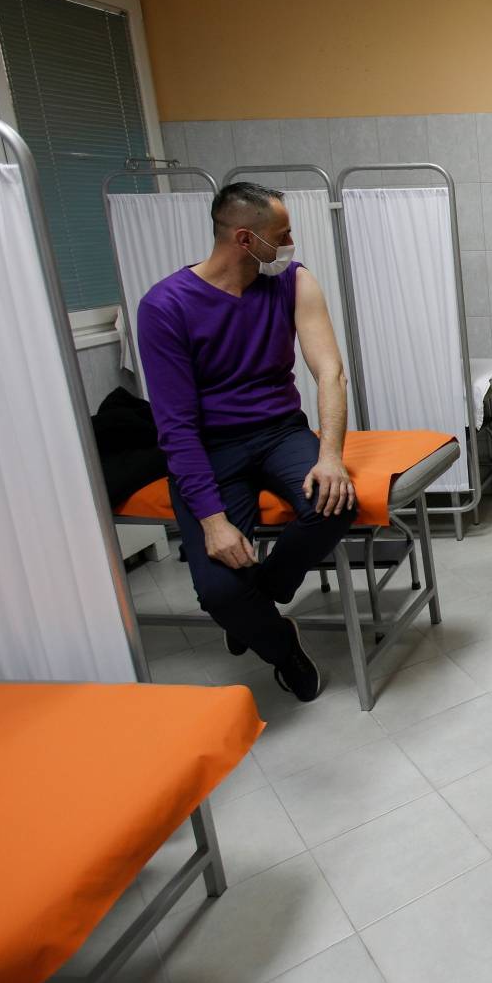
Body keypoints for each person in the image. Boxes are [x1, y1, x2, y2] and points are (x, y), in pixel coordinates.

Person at [137, 182, 357, 702]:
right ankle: (283, 644)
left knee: (334, 503)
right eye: (282, 235)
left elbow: (330, 371)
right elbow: (176, 427)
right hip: (211, 449)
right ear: (243, 238)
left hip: (280, 431)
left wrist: (329, 456)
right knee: (216, 592)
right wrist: (214, 523)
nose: (291, 245)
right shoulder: (166, 307)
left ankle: (265, 591)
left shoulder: (292, 283)